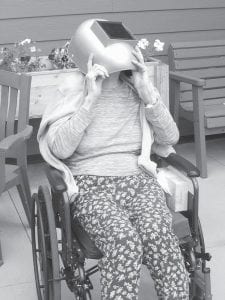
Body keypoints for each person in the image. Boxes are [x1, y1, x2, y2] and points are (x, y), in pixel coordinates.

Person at [39, 19, 189, 300]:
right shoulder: (74, 90)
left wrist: (148, 94)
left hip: (138, 181)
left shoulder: (136, 88)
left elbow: (169, 137)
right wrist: (89, 101)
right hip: (91, 185)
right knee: (124, 240)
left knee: (160, 237)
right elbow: (59, 150)